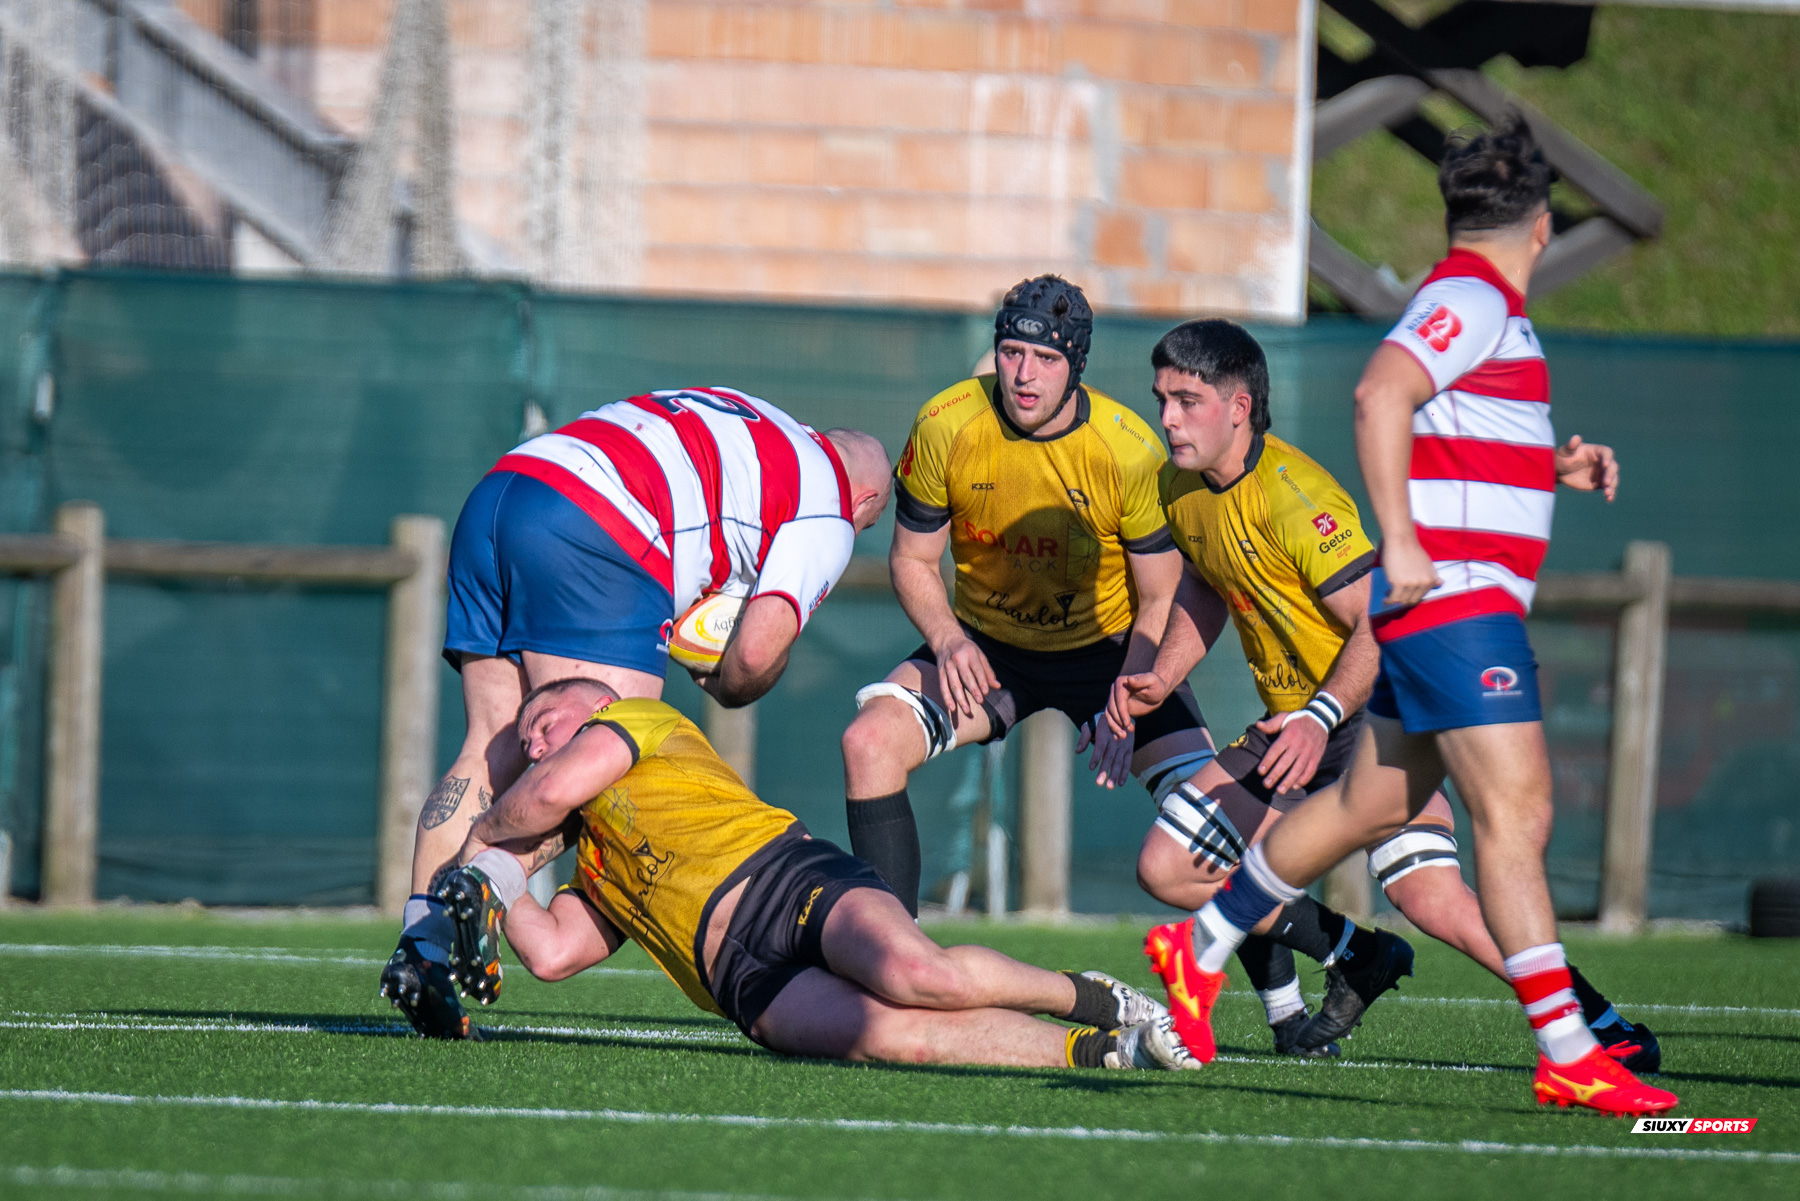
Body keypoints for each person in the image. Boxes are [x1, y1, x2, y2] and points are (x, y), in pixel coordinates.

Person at [1133, 118, 1677, 1114]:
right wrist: (1405, 542)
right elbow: (1384, 393)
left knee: (1373, 817)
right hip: (1456, 611)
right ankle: (1571, 1044)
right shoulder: (1473, 297)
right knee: (1518, 813)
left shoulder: (1473, 308)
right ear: (1545, 226)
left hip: (1414, 637)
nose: (1169, 420)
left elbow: (1449, 431)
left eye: (1184, 400)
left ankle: (1201, 941)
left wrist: (1554, 466)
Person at [379, 387, 893, 1038]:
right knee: (601, 767)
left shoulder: (758, 421)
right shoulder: (831, 506)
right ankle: (484, 883)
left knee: (490, 742)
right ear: (869, 502)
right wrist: (729, 681)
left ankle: (420, 945)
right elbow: (760, 647)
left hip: (507, 489)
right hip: (602, 527)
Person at [418, 677, 1196, 1072]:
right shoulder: (590, 855)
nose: (534, 744)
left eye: (541, 724)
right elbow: (553, 953)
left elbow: (546, 794)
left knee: (914, 970)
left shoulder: (631, 720)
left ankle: (1089, 994)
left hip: (782, 878)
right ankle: (1104, 1051)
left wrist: (479, 839)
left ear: (590, 700)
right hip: (741, 981)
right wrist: (494, 883)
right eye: (525, 741)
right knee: (898, 1038)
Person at [839, 275, 1214, 917]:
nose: (1024, 375)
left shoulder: (1129, 452)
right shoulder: (944, 424)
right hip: (989, 650)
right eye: (1012, 352)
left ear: (1077, 367)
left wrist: (1126, 693)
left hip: (1110, 654)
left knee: (1209, 822)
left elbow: (1159, 597)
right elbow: (912, 559)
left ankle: (1329, 959)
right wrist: (949, 639)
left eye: (1046, 358)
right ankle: (889, 962)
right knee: (868, 744)